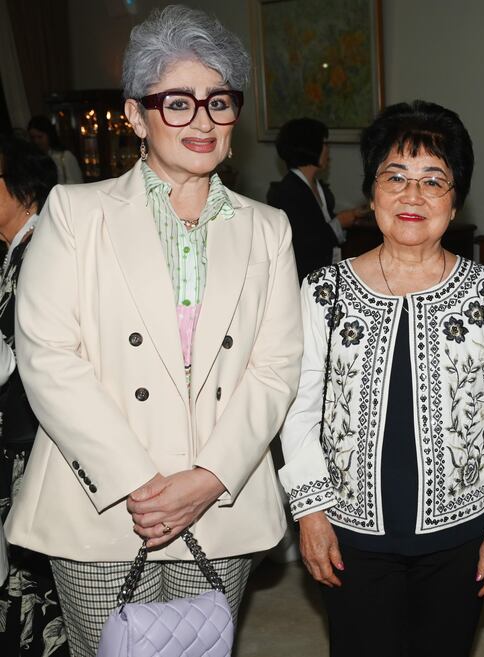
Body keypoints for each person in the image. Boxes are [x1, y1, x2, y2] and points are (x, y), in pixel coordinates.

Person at [4, 6, 303, 657]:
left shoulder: (266, 228)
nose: (201, 119)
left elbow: (276, 367)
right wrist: (139, 482)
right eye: (177, 102)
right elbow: (48, 355)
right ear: (136, 115)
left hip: (218, 506)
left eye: (218, 101)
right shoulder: (76, 213)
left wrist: (207, 478)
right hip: (104, 503)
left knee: (200, 648)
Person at [280, 100, 484, 657]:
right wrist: (311, 511)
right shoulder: (325, 291)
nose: (412, 196)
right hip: (351, 534)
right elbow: (299, 408)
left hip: (461, 532)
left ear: (455, 198)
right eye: (396, 177)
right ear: (371, 193)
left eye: (433, 181)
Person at [0, 136, 66, 656]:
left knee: (34, 566)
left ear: (24, 190)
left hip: (35, 435)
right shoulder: (16, 248)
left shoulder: (40, 250)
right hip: (20, 431)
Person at [267, 118, 366, 281]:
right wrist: (340, 222)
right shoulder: (288, 192)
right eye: (324, 143)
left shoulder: (318, 186)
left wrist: (353, 214)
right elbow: (305, 243)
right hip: (304, 279)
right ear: (310, 147)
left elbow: (321, 224)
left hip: (325, 273)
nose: (328, 150)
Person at [27, 115, 84, 184]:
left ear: (49, 135)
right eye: (33, 137)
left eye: (40, 137)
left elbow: (77, 183)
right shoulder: (33, 158)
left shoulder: (65, 156)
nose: (36, 141)